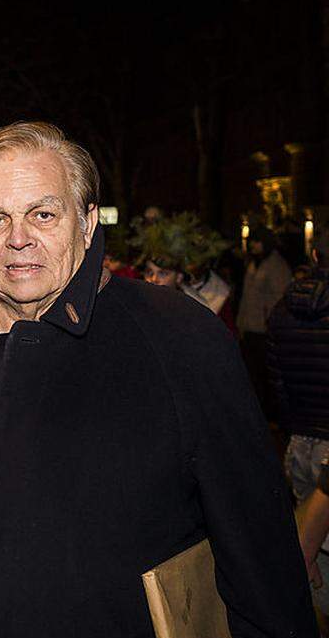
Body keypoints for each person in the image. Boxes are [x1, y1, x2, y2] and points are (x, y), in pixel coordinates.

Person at [0, 121, 318, 638]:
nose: (18, 238)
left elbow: (260, 558)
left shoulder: (178, 339)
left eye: (43, 214)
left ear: (88, 221)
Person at [270, 231, 329, 611]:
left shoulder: (282, 309)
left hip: (300, 441)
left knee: (309, 554)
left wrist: (293, 425)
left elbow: (278, 382)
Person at [133, 211, 235, 329]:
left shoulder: (194, 308)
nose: (154, 279)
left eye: (163, 274)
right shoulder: (138, 302)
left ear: (179, 277)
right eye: (149, 272)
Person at [239, 230, 292, 416]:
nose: (253, 245)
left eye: (256, 241)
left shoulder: (276, 265)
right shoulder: (254, 263)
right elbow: (246, 295)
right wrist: (241, 323)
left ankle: (271, 412)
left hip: (265, 328)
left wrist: (271, 321)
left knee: (266, 373)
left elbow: (281, 296)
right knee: (252, 373)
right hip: (250, 326)